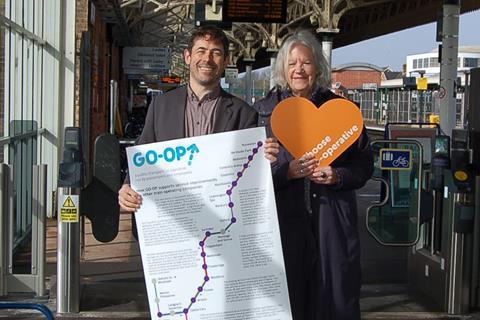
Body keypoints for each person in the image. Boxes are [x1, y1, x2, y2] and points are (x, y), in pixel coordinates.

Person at [254, 30, 374, 320]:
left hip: (332, 221)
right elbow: (244, 175)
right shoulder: (261, 114)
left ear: (317, 67)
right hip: (282, 223)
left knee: (333, 300)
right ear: (282, 67)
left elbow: (365, 164)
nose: (299, 69)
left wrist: (339, 176)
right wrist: (285, 172)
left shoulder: (342, 111)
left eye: (306, 63)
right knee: (284, 300)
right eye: (292, 63)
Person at [119, 25, 279, 211]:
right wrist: (127, 186)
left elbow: (251, 171)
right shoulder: (161, 106)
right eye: (201, 50)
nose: (207, 59)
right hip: (171, 216)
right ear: (188, 57)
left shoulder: (243, 113)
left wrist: (265, 157)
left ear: (226, 60)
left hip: (221, 218)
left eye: (216, 52)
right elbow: (143, 153)